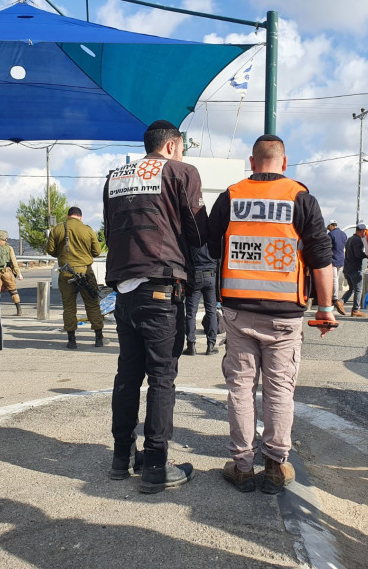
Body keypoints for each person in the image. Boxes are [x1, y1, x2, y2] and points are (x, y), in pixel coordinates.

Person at [207, 134, 335, 494]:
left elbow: (209, 243)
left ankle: (241, 466)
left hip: (237, 309)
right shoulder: (300, 198)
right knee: (279, 390)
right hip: (284, 315)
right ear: (284, 161)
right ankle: (276, 466)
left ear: (252, 161)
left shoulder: (231, 196)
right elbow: (321, 258)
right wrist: (325, 308)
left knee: (240, 389)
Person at [103, 119, 208, 494]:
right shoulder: (181, 172)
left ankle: (120, 457)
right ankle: (156, 465)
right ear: (171, 145)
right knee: (162, 376)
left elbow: (109, 229)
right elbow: (198, 231)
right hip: (162, 287)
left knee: (127, 375)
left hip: (124, 289)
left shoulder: (115, 176)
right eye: (181, 147)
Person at [45, 206, 104, 350]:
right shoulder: (87, 229)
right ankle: (98, 338)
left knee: (69, 306)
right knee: (92, 303)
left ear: (68, 216)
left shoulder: (57, 229)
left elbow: (50, 250)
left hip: (66, 273)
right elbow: (97, 251)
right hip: (85, 271)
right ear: (80, 217)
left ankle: (71, 340)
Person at [183, 244, 219, 356]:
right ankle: (211, 345)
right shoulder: (213, 237)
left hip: (195, 276)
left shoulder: (193, 236)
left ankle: (191, 345)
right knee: (211, 311)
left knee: (191, 313)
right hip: (211, 275)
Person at [336, 224, 368, 317]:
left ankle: (341, 302)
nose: (365, 233)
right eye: (365, 231)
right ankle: (355, 310)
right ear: (362, 231)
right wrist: (366, 255)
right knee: (358, 289)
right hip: (355, 269)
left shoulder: (350, 239)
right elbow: (358, 254)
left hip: (347, 268)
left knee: (352, 289)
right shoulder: (358, 241)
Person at [0, 230, 24, 316]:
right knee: (13, 291)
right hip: (7, 272)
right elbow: (14, 262)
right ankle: (19, 311)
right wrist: (19, 274)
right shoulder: (9, 248)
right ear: (5, 238)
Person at [327, 220, 348, 314]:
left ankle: (334, 298)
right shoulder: (344, 234)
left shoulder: (330, 235)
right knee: (337, 278)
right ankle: (334, 297)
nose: (328, 228)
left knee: (333, 279)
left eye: (328, 226)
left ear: (332, 225)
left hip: (332, 259)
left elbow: (328, 247)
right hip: (341, 259)